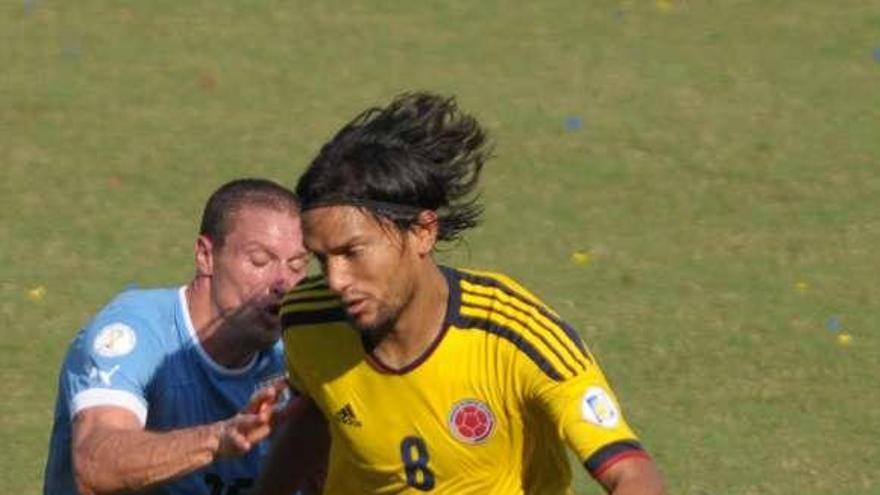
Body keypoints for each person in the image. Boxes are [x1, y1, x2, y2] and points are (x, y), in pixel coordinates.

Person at [255, 93, 666, 494]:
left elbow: (630, 473)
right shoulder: (308, 319)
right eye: (322, 259)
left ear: (422, 232)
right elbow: (316, 415)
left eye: (352, 252)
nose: (336, 280)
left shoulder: (514, 334)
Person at [43, 178, 310, 495]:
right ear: (205, 255)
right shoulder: (135, 333)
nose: (283, 282)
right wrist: (218, 438)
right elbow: (96, 464)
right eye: (260, 261)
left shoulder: (299, 353)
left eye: (297, 265)